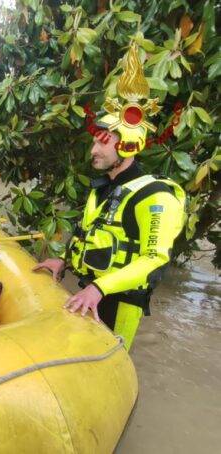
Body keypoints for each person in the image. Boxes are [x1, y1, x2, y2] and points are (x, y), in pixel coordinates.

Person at [33, 44, 185, 350]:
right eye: (94, 142)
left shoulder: (155, 196)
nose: (93, 151)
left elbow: (155, 258)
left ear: (128, 145)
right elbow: (91, 236)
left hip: (120, 301)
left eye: (103, 143)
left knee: (110, 362)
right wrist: (64, 261)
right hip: (91, 291)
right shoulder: (102, 188)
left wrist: (100, 289)